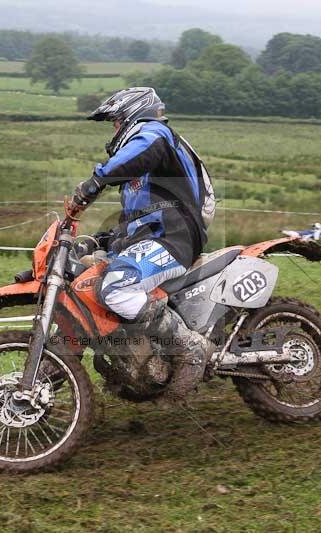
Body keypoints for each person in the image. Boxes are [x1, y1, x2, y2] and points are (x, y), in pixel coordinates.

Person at [66, 87, 214, 400]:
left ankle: (189, 347)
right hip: (155, 239)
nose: (114, 131)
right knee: (90, 279)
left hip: (175, 238)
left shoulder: (156, 134)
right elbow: (136, 223)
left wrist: (95, 182)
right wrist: (98, 241)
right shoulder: (142, 178)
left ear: (132, 115)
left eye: (115, 123)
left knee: (115, 287)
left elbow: (140, 151)